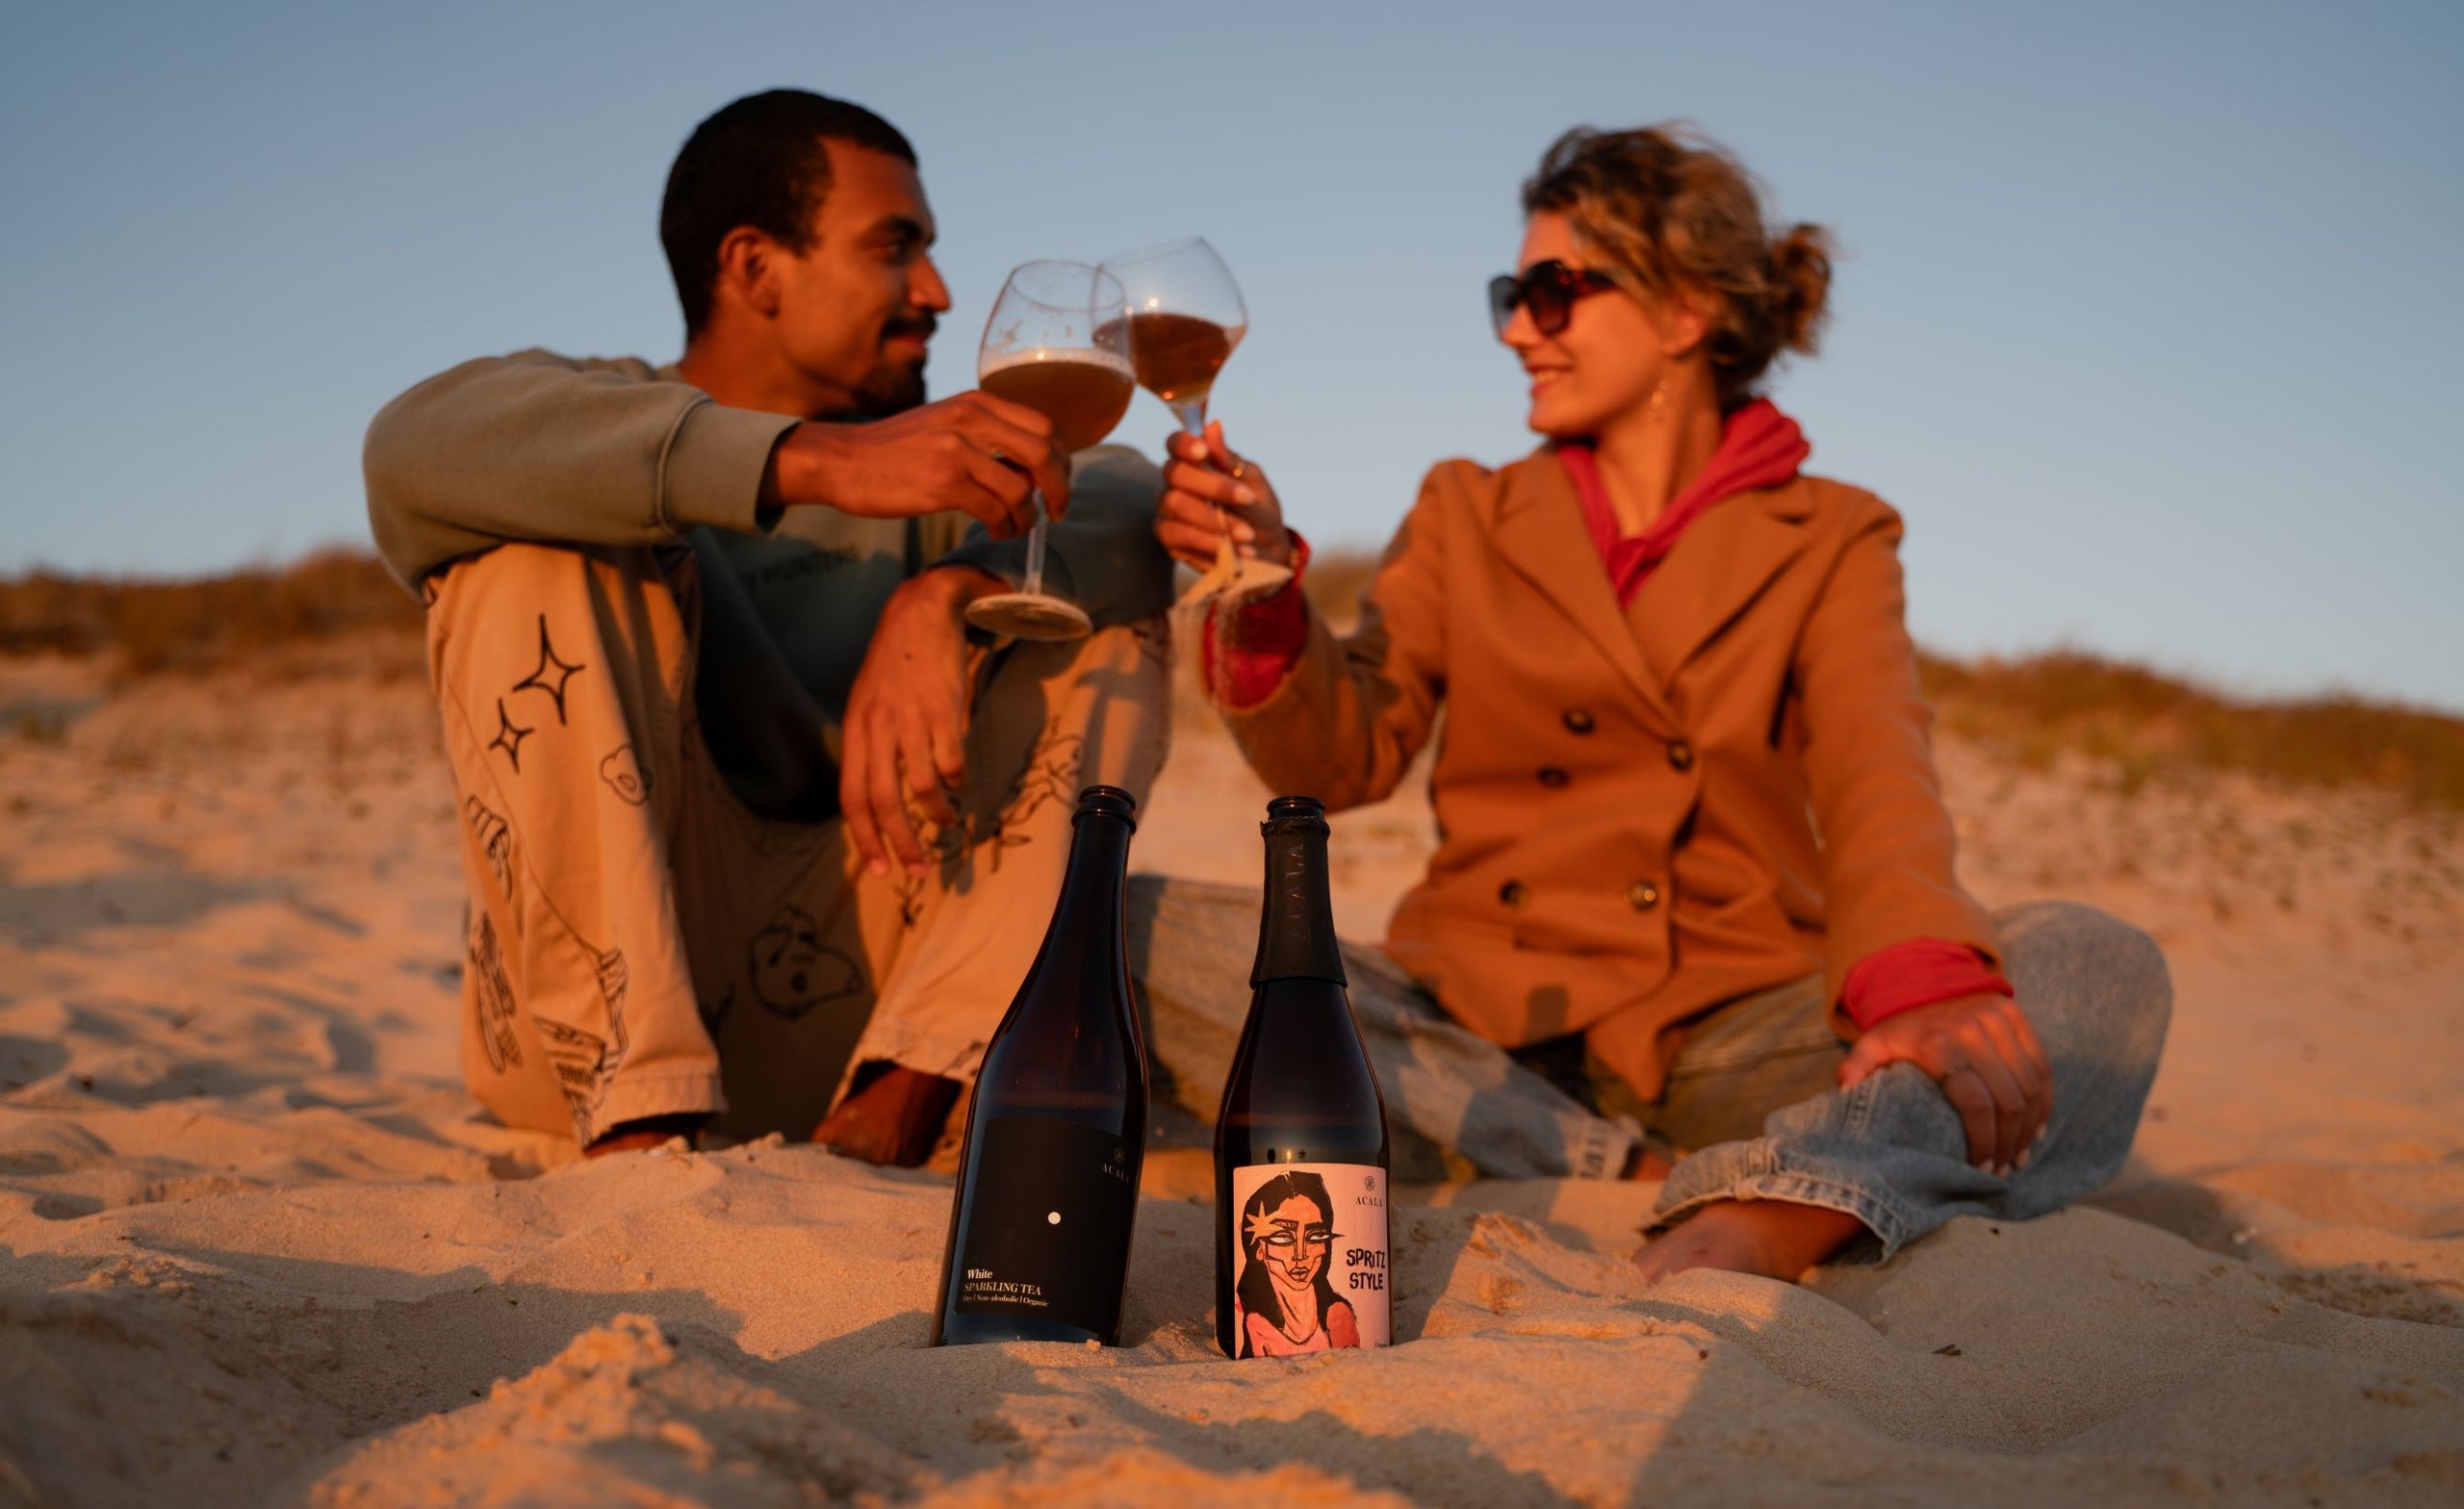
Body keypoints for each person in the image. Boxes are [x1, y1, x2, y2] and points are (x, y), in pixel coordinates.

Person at [1151, 124, 2171, 1282]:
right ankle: (1645, 1168)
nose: (1519, 327)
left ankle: (1783, 1202)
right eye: (1509, 293)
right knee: (1138, 927)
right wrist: (1271, 593)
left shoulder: (1832, 531)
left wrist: (1925, 983)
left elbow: (1875, 765)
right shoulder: (1464, 509)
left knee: (2096, 968)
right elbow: (1345, 757)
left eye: (1553, 291)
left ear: (1685, 309)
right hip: (1477, 1020)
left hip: (1732, 1022)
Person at [363, 90, 1173, 1164]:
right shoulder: (615, 410)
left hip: (873, 1011)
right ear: (753, 269)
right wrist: (818, 462)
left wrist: (948, 596)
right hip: (589, 1039)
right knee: (529, 538)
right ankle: (639, 1130)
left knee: (1089, 605)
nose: (934, 291)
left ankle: (896, 1112)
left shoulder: (944, 463)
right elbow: (411, 447)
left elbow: (1134, 503)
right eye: (896, 248)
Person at [1232, 1171, 1359, 1357]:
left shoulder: (1337, 1316)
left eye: (1315, 1236)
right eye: (1283, 1237)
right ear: (1260, 1248)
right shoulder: (1250, 1320)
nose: (1301, 1255)